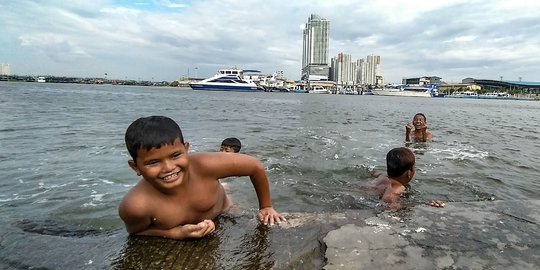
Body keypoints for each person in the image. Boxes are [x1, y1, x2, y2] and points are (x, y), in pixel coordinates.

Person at [118, 116, 285, 240]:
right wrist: (173, 233)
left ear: (186, 149)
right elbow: (136, 232)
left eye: (176, 155)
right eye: (153, 162)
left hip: (224, 209)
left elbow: (255, 166)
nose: (168, 168)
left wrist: (266, 206)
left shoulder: (205, 165)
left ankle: (224, 189)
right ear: (136, 167)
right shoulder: (135, 205)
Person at [371, 147, 445, 209]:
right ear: (409, 173)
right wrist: (421, 205)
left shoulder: (382, 176)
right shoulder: (397, 188)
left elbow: (373, 173)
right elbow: (386, 205)